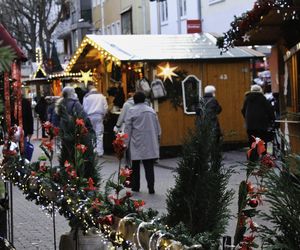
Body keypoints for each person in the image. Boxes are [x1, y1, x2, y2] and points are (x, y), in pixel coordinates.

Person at [124, 92, 161, 194]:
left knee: (135, 165)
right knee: (149, 166)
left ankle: (136, 187)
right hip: (150, 142)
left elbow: (127, 129)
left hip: (136, 141)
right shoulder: (151, 111)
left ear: (134, 101)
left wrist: (125, 143)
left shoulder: (132, 111)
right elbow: (158, 128)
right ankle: (151, 187)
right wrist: (157, 140)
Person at [83, 82, 108, 157]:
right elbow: (105, 107)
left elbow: (84, 108)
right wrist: (103, 115)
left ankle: (92, 150)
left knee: (91, 133)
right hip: (99, 116)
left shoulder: (86, 97)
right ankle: (100, 151)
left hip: (90, 116)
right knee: (99, 134)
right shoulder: (102, 96)